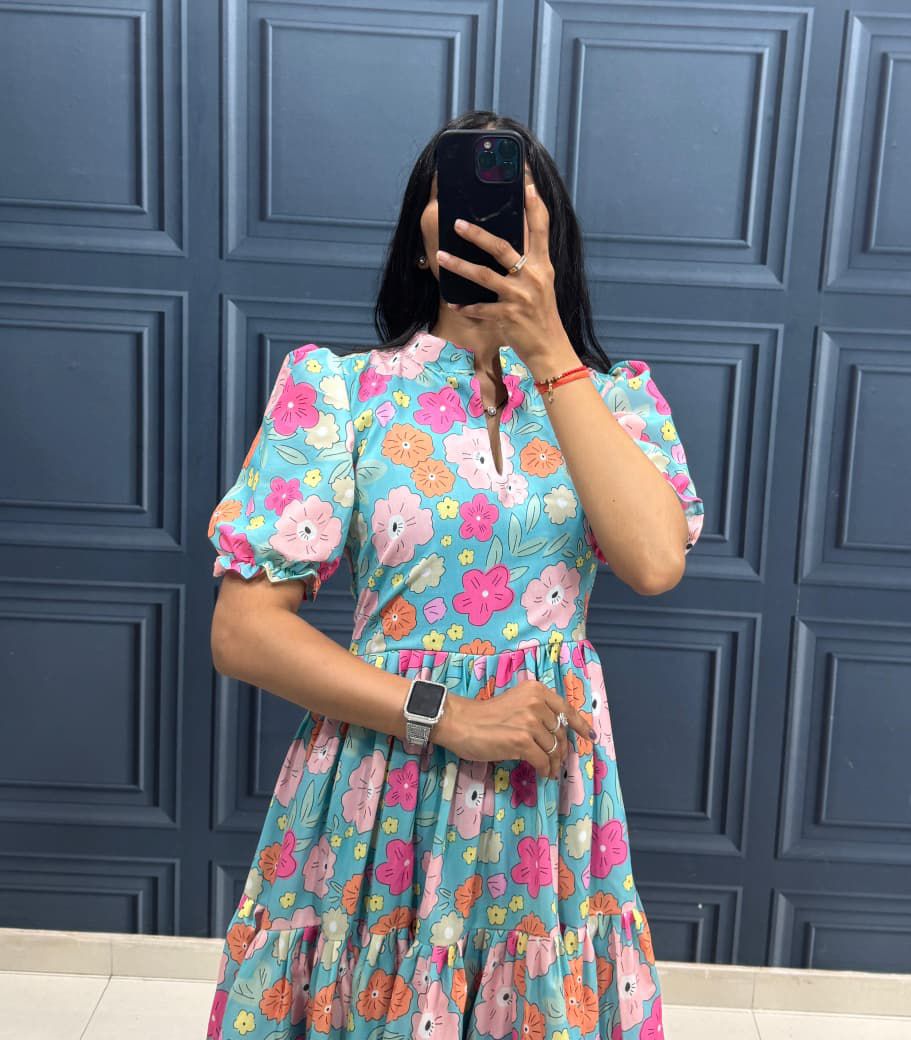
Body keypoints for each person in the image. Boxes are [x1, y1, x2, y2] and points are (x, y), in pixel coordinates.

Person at [204, 111, 704, 1040]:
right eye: (451, 191)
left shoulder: (618, 401)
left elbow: (651, 560)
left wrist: (550, 352)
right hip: (378, 793)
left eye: (511, 199)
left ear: (546, 230)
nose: (478, 215)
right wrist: (453, 716)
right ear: (419, 227)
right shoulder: (339, 392)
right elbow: (243, 633)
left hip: (546, 801)